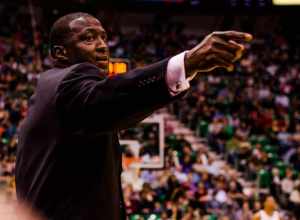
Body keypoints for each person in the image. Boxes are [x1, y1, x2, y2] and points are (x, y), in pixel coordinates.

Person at [15, 12, 252, 220]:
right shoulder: (70, 80)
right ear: (60, 53)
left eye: (103, 37)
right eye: (88, 38)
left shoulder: (48, 91)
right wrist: (186, 63)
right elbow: (107, 99)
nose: (102, 46)